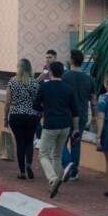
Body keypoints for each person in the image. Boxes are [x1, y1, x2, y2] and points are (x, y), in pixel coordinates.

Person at [34, 61, 80, 198]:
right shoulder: (68, 88)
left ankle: (53, 179)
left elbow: (35, 105)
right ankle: (53, 186)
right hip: (66, 125)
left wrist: (44, 110)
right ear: (62, 73)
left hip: (50, 124)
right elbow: (75, 111)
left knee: (43, 154)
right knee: (57, 155)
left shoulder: (44, 87)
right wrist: (76, 128)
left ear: (51, 73)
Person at [60, 50, 98, 181]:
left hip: (66, 115)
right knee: (76, 143)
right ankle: (74, 172)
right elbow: (93, 101)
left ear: (71, 60)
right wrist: (94, 116)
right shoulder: (89, 79)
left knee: (60, 142)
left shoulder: (64, 76)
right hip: (82, 116)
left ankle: (67, 163)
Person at [3, 59, 40, 180]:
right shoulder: (35, 83)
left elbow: (8, 102)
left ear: (19, 68)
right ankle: (29, 163)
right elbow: (39, 101)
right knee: (29, 141)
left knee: (20, 142)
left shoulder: (12, 82)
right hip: (32, 116)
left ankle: (22, 172)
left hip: (16, 115)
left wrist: (5, 117)